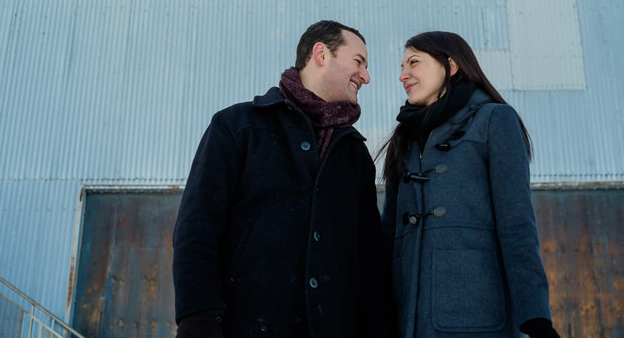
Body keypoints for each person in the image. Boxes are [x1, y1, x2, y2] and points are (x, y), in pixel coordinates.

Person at [173, 20, 397, 338]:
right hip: (245, 326)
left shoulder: (354, 154)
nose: (366, 76)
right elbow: (198, 229)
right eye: (358, 62)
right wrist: (198, 319)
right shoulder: (238, 127)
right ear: (321, 53)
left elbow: (369, 260)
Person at [380, 31, 561, 338]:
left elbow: (516, 224)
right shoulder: (405, 137)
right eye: (401, 66)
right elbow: (389, 235)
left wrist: (536, 318)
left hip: (478, 318)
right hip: (407, 321)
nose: (402, 75)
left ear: (451, 66)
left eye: (414, 62)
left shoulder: (494, 120)